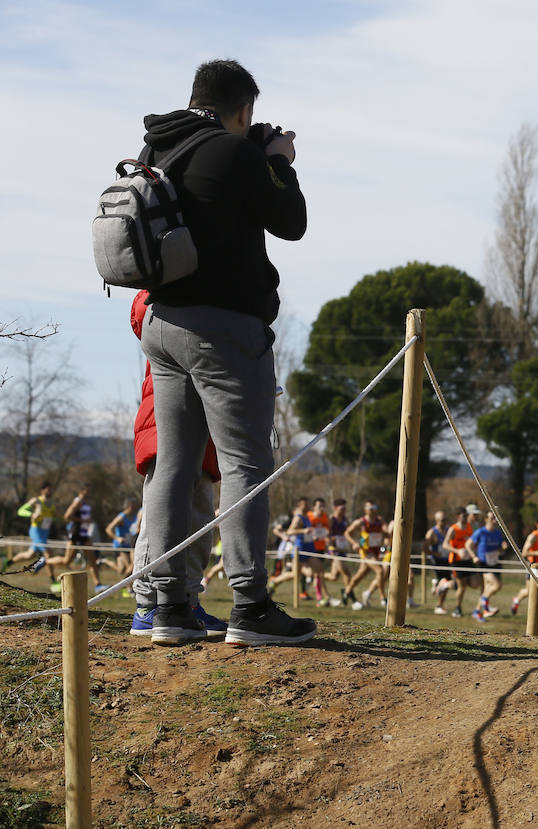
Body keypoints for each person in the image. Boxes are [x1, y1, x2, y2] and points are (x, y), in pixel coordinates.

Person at [137, 58, 311, 646]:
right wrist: (279, 163)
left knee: (173, 464)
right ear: (243, 110)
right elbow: (292, 222)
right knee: (244, 464)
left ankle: (169, 606)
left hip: (161, 325)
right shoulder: (234, 153)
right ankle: (250, 605)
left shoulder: (156, 148)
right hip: (224, 330)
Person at [128, 290, 227, 639]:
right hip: (167, 425)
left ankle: (186, 599)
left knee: (199, 516)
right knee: (163, 515)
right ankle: (149, 604)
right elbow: (142, 310)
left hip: (201, 428)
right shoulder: (161, 302)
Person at [343, 500, 388, 609]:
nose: (373, 511)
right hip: (366, 552)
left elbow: (387, 532)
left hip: (376, 551)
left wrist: (387, 533)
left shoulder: (379, 520)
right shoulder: (361, 522)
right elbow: (347, 533)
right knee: (380, 571)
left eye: (375, 508)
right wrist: (354, 543)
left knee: (360, 575)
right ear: (365, 510)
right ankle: (383, 598)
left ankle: (346, 592)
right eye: (370, 508)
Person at [466, 511, 509, 621]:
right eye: (492, 517)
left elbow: (500, 548)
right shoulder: (481, 532)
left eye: (496, 518)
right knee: (497, 585)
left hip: (494, 563)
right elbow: (468, 545)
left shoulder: (498, 533)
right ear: (486, 519)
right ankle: (485, 604)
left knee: (486, 589)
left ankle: (477, 611)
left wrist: (503, 547)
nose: (495, 520)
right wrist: (474, 556)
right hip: (483, 564)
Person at [12, 483, 57, 573]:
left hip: (45, 532)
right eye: (48, 489)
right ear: (42, 490)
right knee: (48, 554)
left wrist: (54, 517)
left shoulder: (52, 503)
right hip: (36, 531)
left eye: (51, 489)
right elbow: (21, 511)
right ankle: (53, 581)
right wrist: (32, 514)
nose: (50, 491)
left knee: (29, 555)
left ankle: (9, 562)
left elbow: (53, 517)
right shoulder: (36, 501)